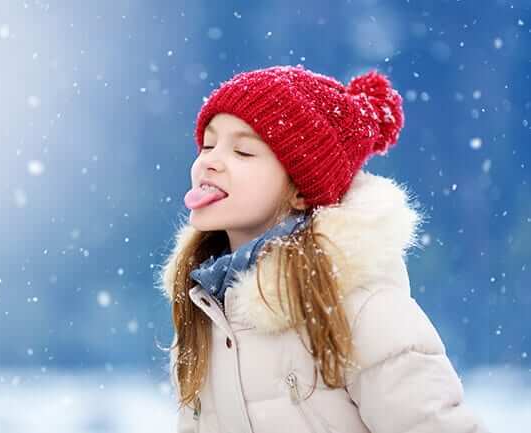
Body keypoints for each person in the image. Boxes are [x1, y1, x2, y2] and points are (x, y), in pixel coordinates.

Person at [155, 65, 490, 433]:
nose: (210, 161)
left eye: (243, 151)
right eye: (207, 144)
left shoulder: (361, 310)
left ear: (300, 190)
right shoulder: (206, 311)